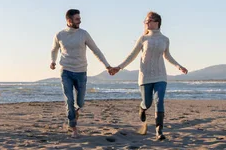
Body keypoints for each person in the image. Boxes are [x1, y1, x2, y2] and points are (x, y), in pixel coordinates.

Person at [110, 11, 188, 139]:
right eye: (145, 21)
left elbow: (167, 56)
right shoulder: (143, 38)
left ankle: (159, 131)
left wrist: (179, 66)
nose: (146, 23)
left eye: (148, 21)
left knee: (159, 100)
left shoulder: (165, 39)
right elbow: (132, 55)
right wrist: (119, 67)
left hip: (161, 75)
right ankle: (142, 108)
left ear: (156, 22)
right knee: (147, 102)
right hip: (145, 75)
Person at [50, 9, 113, 138]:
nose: (80, 20)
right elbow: (54, 50)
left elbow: (96, 50)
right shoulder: (60, 35)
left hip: (81, 72)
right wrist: (53, 61)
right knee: (69, 99)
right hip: (65, 70)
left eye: (79, 18)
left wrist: (107, 65)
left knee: (80, 102)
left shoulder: (83, 34)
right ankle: (73, 127)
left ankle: (77, 110)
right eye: (77, 19)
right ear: (69, 20)